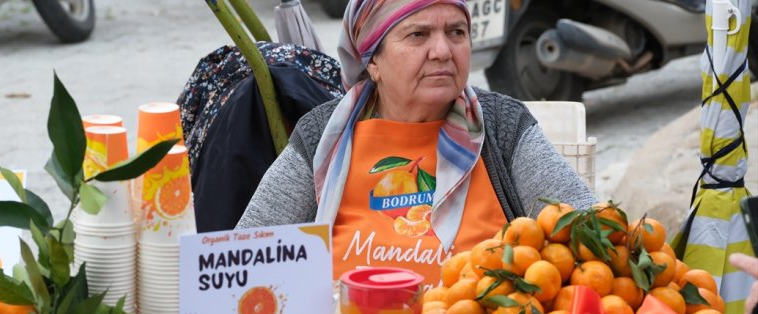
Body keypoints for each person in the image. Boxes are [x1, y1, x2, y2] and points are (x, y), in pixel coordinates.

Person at [237, 0, 595, 286]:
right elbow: (247, 256)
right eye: (418, 35)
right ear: (372, 61)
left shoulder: (503, 126)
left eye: (456, 32)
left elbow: (591, 233)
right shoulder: (322, 135)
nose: (442, 50)